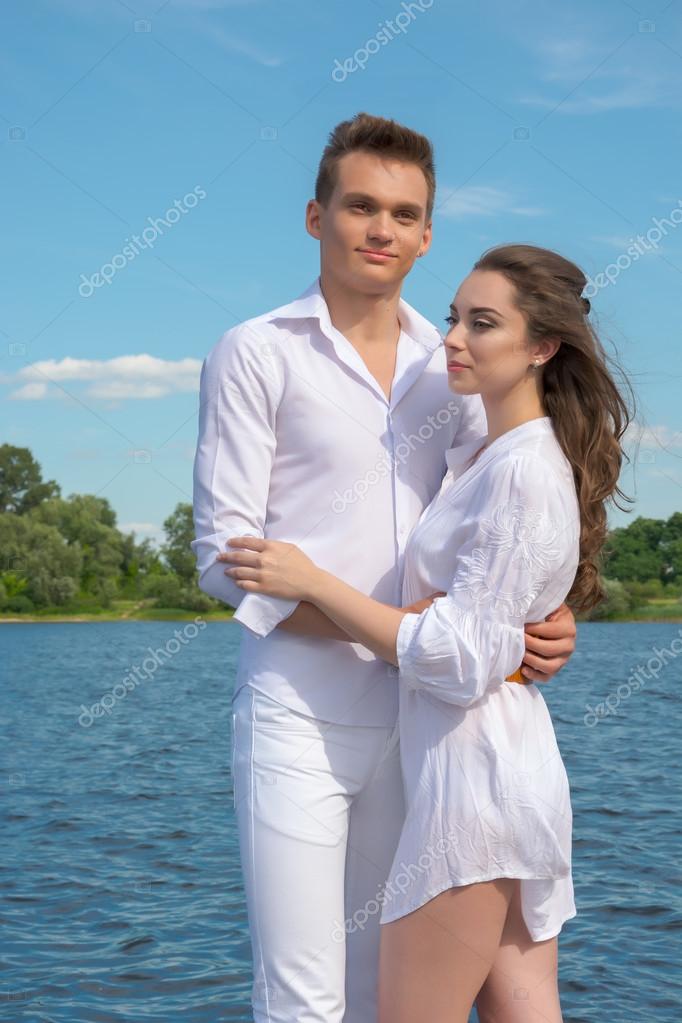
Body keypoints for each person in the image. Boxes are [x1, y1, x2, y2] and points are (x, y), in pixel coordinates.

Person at [191, 113, 577, 1023]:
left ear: (427, 234)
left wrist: (547, 621)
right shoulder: (256, 351)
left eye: (404, 214)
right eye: (360, 205)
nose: (381, 229)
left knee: (376, 997)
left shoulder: (451, 362)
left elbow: (510, 513)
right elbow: (224, 559)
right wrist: (410, 632)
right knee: (303, 998)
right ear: (315, 215)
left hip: (428, 731)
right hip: (299, 714)